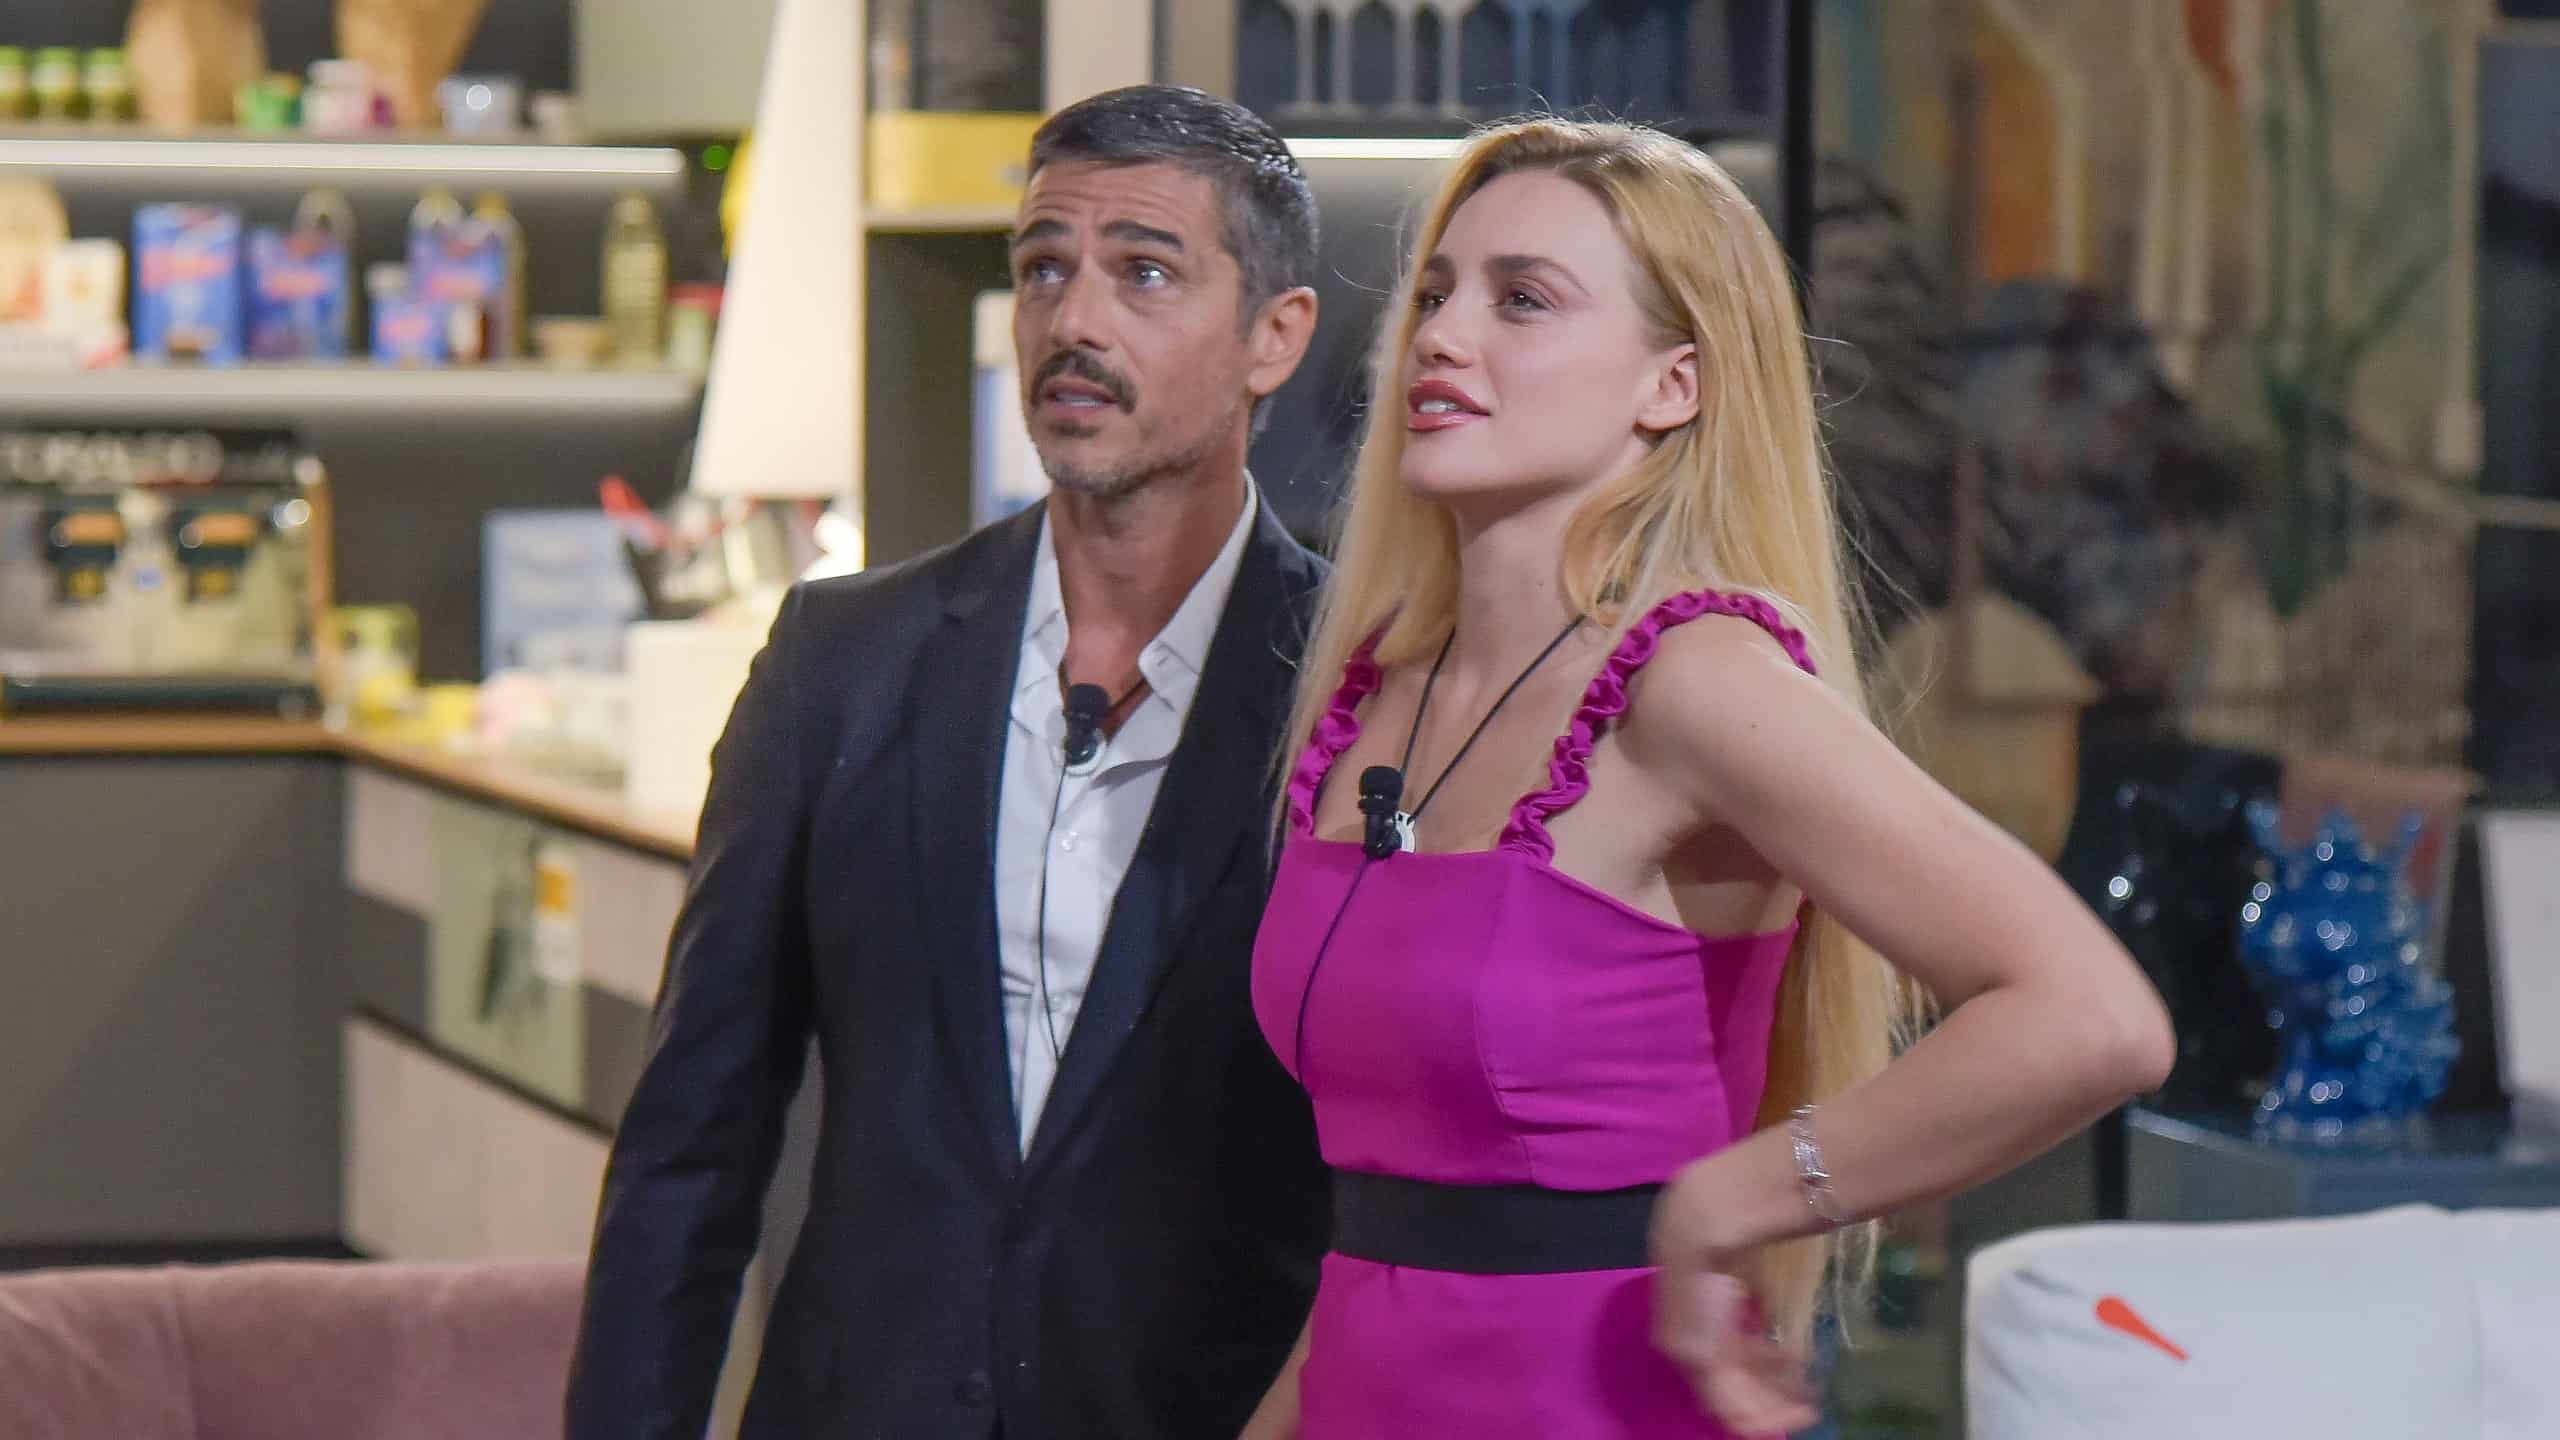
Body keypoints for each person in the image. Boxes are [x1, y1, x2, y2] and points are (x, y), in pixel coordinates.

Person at [1244, 117, 2175, 1438]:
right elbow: (1386, 1227)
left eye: (1523, 300)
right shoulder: (1369, 697)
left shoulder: (1692, 683)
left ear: (1672, 385)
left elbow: (2093, 1018)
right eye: (1436, 293)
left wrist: (1733, 1202)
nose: (1442, 337)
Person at [565, 85, 1332, 1440]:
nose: (1075, 320)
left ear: (1275, 336)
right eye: (1043, 268)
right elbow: (693, 1140)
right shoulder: (845, 660)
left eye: (1144, 272)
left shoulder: (1364, 682)